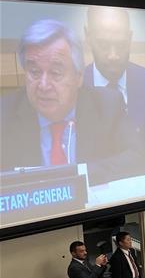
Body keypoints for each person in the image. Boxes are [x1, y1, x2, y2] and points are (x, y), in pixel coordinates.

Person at [1, 19, 126, 185]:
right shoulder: (5, 114)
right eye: (34, 72)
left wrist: (75, 178)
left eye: (55, 72)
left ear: (79, 76)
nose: (43, 85)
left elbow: (135, 158)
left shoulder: (107, 105)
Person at [83, 6, 145, 174]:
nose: (113, 55)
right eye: (103, 45)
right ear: (88, 38)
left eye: (121, 45)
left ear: (130, 38)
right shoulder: (76, 88)